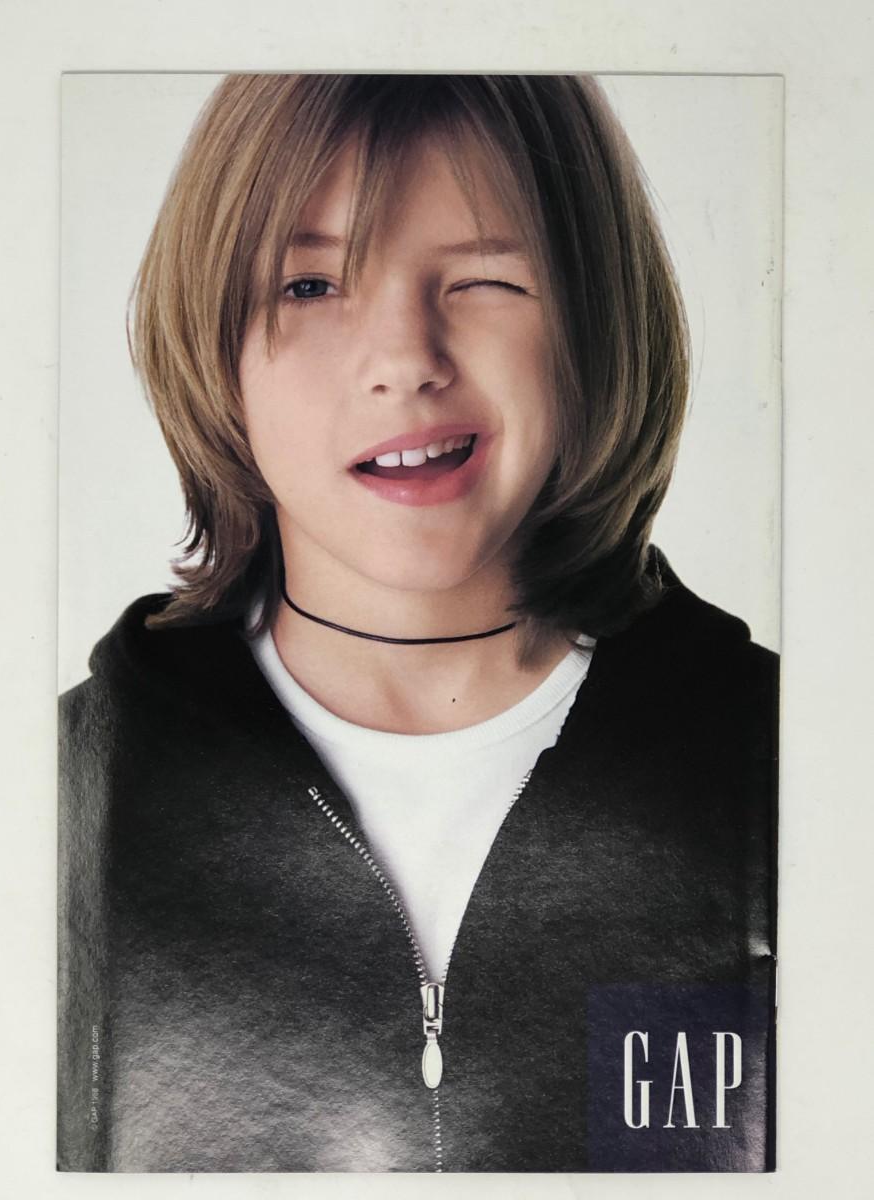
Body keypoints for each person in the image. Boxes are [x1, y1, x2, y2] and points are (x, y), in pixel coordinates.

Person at [57, 73, 777, 1173]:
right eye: (308, 284)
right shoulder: (48, 802)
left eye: (484, 279)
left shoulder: (799, 770)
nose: (405, 360)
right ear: (213, 343)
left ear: (593, 320)